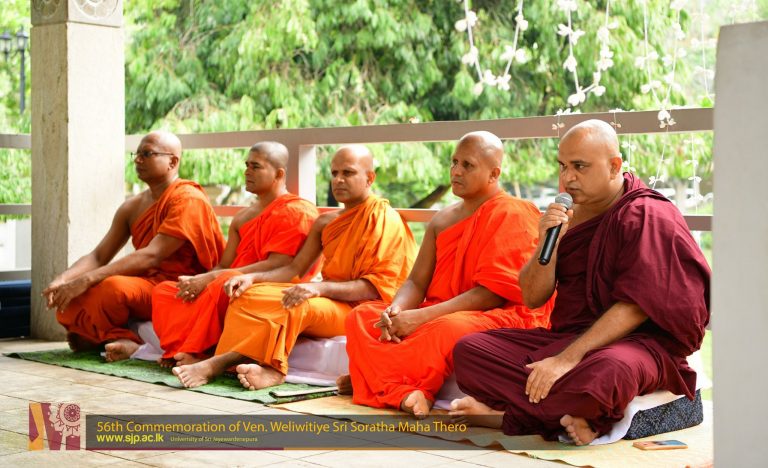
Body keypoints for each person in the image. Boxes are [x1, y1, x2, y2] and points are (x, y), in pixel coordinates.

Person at [450, 119, 711, 445]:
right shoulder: (567, 216)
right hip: (567, 337)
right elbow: (532, 297)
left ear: (614, 166)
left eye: (579, 166)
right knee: (470, 351)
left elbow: (635, 306)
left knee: (608, 373)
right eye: (562, 166)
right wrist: (547, 242)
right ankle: (579, 416)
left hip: (634, 344)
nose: (567, 178)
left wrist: (566, 360)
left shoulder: (647, 213)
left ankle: (508, 417)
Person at [340, 131, 553, 419]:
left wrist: (421, 317)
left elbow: (492, 293)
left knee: (448, 329)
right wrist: (397, 310)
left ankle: (376, 380)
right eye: (454, 162)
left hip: (495, 313)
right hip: (441, 308)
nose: (456, 171)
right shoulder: (442, 219)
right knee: (361, 317)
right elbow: (416, 281)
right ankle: (396, 388)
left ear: (494, 174)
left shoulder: (512, 212)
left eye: (468, 165)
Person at [172, 144, 417, 389]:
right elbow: (294, 269)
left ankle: (261, 368)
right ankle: (238, 360)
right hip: (330, 298)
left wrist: (317, 289)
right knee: (247, 295)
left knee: (295, 306)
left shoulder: (385, 218)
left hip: (361, 308)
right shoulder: (325, 222)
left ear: (370, 178)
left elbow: (375, 288)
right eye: (334, 173)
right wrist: (252, 279)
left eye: (348, 173)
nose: (338, 180)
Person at [44, 131, 225, 362]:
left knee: (112, 288)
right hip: (145, 283)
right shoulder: (132, 206)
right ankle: (120, 338)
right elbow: (99, 256)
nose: (138, 160)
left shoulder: (188, 199)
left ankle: (115, 339)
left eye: (147, 154)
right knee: (66, 303)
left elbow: (152, 255)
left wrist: (87, 279)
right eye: (136, 154)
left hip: (177, 286)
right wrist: (64, 280)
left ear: (172, 162)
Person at [151, 142, 319, 368]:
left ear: (279, 174)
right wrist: (198, 281)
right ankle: (182, 347)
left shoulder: (296, 210)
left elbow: (279, 264)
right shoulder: (243, 217)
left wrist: (215, 277)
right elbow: (224, 264)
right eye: (247, 165)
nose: (247, 172)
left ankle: (195, 351)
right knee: (165, 291)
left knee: (224, 282)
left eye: (256, 167)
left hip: (269, 282)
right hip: (231, 279)